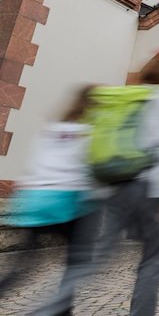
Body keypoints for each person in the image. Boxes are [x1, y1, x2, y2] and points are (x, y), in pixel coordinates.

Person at [82, 47, 159, 316]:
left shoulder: (142, 93)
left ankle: (55, 298)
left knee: (97, 255)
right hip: (157, 188)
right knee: (153, 259)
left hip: (123, 184)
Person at [0, 86, 101, 315]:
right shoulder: (90, 132)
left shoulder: (51, 129)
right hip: (67, 201)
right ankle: (58, 309)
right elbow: (87, 169)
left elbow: (33, 165)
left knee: (23, 265)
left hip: (35, 200)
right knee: (78, 261)